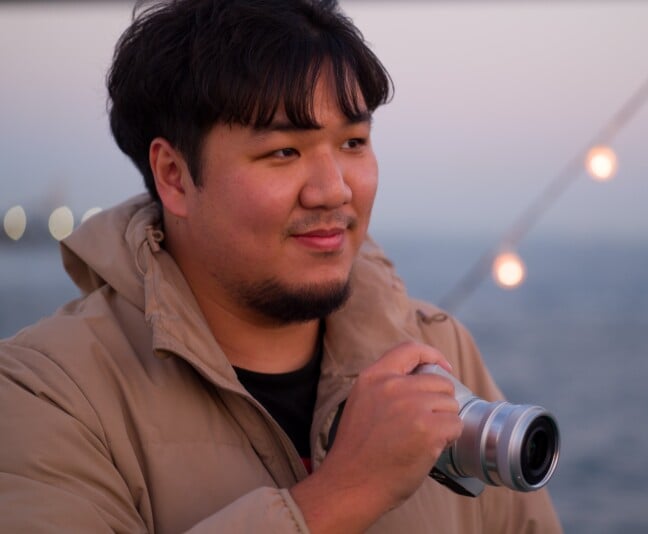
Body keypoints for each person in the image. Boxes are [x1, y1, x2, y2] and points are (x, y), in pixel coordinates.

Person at [0, 1, 561, 532]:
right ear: (174, 175)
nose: (334, 190)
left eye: (354, 142)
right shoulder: (46, 392)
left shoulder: (439, 349)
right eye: (283, 152)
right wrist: (347, 491)